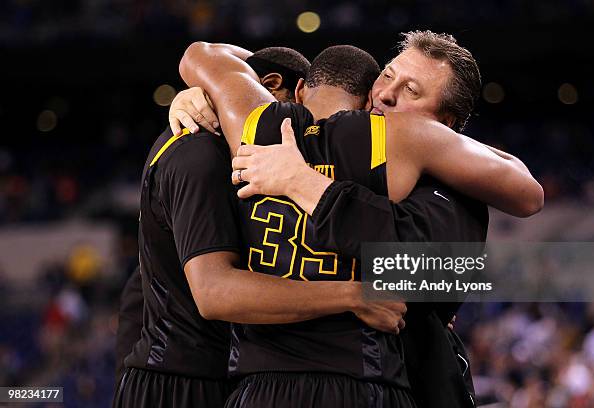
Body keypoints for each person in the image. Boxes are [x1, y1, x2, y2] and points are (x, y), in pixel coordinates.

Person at [176, 37, 543, 406]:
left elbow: (202, 53)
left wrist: (305, 183)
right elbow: (525, 189)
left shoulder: (255, 129)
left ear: (445, 123)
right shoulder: (409, 139)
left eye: (411, 90)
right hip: (363, 383)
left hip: (292, 385)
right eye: (387, 76)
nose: (386, 94)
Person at [113, 46, 407, 408]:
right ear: (276, 89)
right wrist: (352, 295)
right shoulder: (199, 153)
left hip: (230, 376)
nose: (307, 139)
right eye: (293, 116)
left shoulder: (238, 157)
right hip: (180, 380)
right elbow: (213, 291)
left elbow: (456, 269)